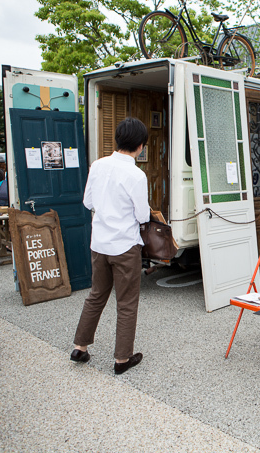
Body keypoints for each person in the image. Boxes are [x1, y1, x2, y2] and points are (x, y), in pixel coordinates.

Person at [71, 117, 150, 374]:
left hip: (100, 243)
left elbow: (87, 202)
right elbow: (143, 216)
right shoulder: (136, 175)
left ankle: (79, 347)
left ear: (117, 140)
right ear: (140, 145)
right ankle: (122, 359)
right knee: (126, 302)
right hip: (125, 246)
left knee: (96, 295)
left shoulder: (98, 165)